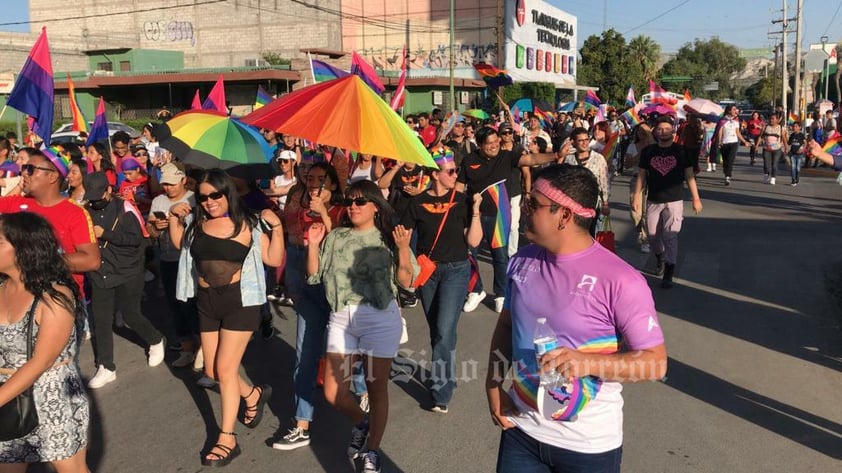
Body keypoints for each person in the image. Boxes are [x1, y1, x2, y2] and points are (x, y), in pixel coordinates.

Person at [485, 164, 666, 473]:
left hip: (588, 445)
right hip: (522, 431)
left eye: (533, 204)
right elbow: (506, 326)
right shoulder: (522, 261)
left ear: (564, 215)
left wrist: (587, 363)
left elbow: (655, 363)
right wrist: (492, 386)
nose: (524, 209)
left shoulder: (621, 279)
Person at [169, 169, 284, 467]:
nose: (209, 202)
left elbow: (273, 259)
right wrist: (173, 218)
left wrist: (278, 229)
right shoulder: (196, 222)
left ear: (226, 193)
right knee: (213, 369)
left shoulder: (248, 223)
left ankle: (227, 438)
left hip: (240, 302)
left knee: (225, 367)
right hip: (207, 302)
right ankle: (253, 394)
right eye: (203, 197)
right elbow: (181, 245)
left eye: (215, 195)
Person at [306, 180, 418, 473]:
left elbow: (407, 282)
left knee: (375, 387)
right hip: (342, 317)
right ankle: (362, 423)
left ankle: (373, 449)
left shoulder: (389, 238)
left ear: (375, 206)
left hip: (379, 319)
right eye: (349, 201)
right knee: (333, 393)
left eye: (360, 202)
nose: (353, 207)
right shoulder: (337, 236)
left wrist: (404, 249)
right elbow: (315, 276)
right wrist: (314, 245)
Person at [0, 212, 89, 471]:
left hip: (52, 397)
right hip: (8, 396)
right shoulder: (2, 287)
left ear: (23, 248)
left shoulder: (53, 297)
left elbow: (42, 361)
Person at [272, 162, 350, 452]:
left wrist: (325, 215)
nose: (315, 183)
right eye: (311, 178)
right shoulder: (298, 200)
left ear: (333, 183)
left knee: (347, 352)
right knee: (304, 356)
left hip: (337, 291)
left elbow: (341, 246)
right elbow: (293, 241)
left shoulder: (345, 209)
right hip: (309, 288)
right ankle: (301, 423)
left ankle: (364, 399)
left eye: (322, 179)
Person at [401, 147, 482, 413]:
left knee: (444, 331)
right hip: (428, 273)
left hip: (456, 271)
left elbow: (473, 241)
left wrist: (477, 210)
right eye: (450, 171)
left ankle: (440, 392)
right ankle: (447, 374)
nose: (455, 175)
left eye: (456, 170)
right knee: (439, 331)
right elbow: (404, 237)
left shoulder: (463, 201)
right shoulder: (416, 202)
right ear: (435, 175)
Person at [456, 126, 561, 313]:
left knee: (500, 255)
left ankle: (501, 294)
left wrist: (555, 155)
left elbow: (530, 159)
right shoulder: (469, 160)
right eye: (490, 143)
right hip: (474, 214)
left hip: (499, 213)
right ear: (479, 144)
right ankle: (476, 290)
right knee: (468, 253)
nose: (495, 145)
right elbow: (459, 186)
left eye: (496, 141)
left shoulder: (506, 156)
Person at [82, 172, 165, 389]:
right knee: (101, 320)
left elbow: (136, 239)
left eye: (98, 196)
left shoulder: (125, 209)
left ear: (109, 190)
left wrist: (106, 234)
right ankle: (106, 366)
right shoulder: (85, 211)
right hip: (101, 272)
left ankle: (155, 340)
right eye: (91, 197)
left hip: (129, 270)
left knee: (131, 315)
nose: (95, 201)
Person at [0, 150, 100, 298]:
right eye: (24, 168)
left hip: (60, 299)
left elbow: (92, 260)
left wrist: (34, 261)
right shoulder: (16, 204)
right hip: (19, 299)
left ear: (52, 176)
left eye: (31, 169)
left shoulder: (75, 213)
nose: (24, 174)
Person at [633, 117, 703, 289]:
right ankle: (660, 257)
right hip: (653, 199)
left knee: (670, 236)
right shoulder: (649, 151)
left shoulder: (681, 151)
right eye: (660, 129)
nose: (663, 131)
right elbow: (642, 175)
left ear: (673, 131)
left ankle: (669, 272)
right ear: (655, 132)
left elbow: (689, 176)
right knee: (652, 234)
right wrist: (636, 196)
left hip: (675, 200)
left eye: (667, 128)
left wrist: (696, 198)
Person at [147, 163, 199, 369]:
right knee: (175, 305)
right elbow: (151, 231)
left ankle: (204, 349)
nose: (167, 188)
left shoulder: (194, 198)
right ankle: (187, 348)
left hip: (191, 259)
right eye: (164, 184)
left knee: (194, 305)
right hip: (167, 259)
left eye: (171, 183)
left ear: (183, 180)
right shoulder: (158, 200)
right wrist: (156, 226)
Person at [564, 127, 610, 237]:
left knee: (589, 232)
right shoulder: (569, 159)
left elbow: (604, 181)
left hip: (592, 203)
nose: (584, 143)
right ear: (574, 142)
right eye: (580, 140)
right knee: (573, 231)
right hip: (573, 202)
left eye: (586, 140)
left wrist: (605, 203)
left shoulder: (598, 158)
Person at [716, 105, 750, 186]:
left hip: (734, 142)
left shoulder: (736, 121)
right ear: (728, 111)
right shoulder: (723, 120)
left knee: (730, 159)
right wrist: (720, 141)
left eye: (736, 109)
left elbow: (738, 133)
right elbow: (720, 131)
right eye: (734, 109)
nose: (735, 111)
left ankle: (728, 176)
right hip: (724, 143)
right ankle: (726, 172)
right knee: (725, 160)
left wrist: (744, 141)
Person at [760, 112, 787, 185]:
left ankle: (773, 177)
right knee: (766, 163)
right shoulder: (765, 127)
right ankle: (766, 174)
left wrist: (786, 147)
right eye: (770, 118)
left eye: (773, 119)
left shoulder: (781, 128)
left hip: (777, 149)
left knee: (774, 164)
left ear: (777, 120)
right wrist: (756, 146)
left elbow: (784, 138)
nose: (771, 120)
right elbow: (761, 137)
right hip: (766, 148)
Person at [788, 122, 806, 186]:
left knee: (797, 168)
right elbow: (789, 143)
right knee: (793, 167)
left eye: (796, 126)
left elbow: (804, 143)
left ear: (799, 127)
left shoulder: (801, 135)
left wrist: (801, 149)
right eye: (793, 126)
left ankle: (797, 178)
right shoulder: (792, 135)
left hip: (799, 154)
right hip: (792, 153)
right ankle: (793, 180)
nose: (794, 128)